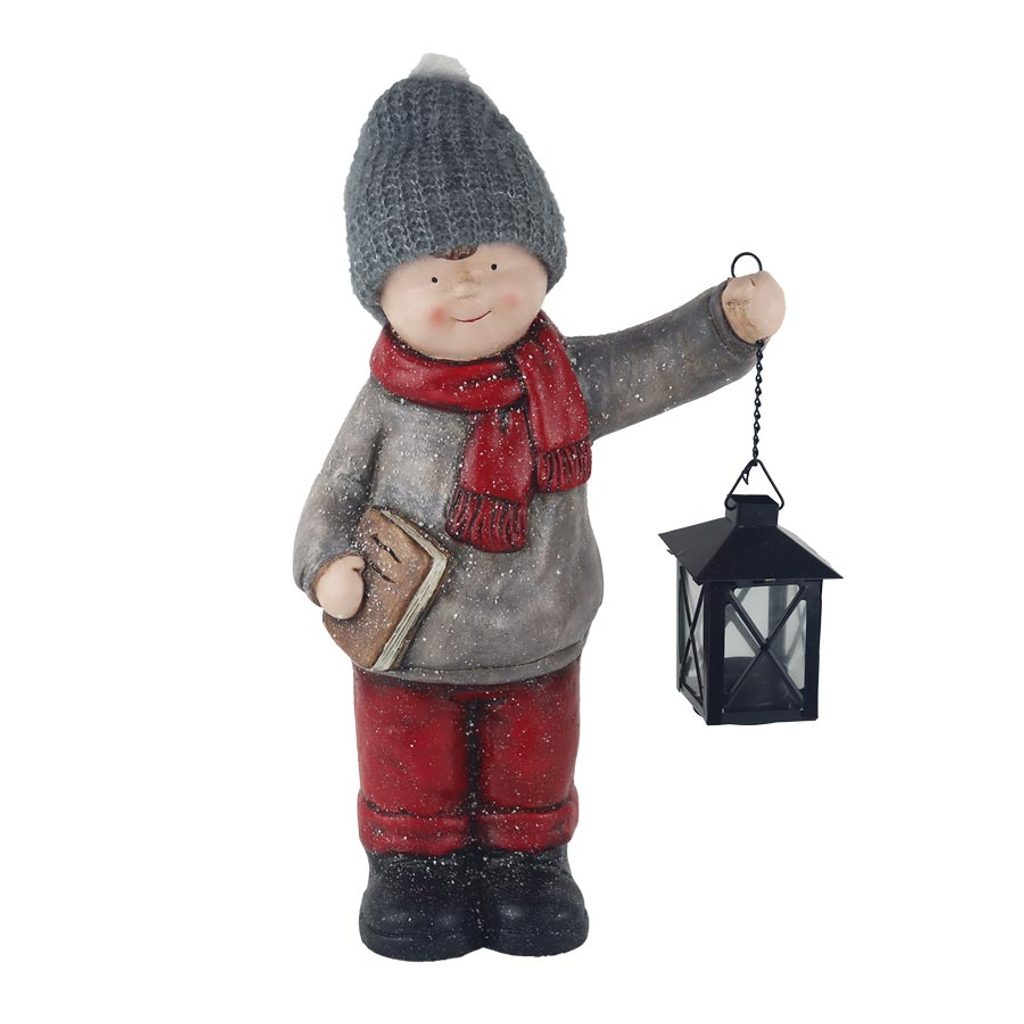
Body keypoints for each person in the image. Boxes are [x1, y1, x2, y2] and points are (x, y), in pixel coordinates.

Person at [293, 53, 785, 960]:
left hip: (540, 637)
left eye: (493, 261)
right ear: (382, 290)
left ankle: (529, 869)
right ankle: (414, 874)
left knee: (534, 761)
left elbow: (654, 361)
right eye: (434, 274)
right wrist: (328, 567)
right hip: (409, 649)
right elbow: (330, 502)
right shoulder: (387, 403)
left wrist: (726, 323)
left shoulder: (564, 382)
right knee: (410, 766)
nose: (468, 289)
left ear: (542, 263)